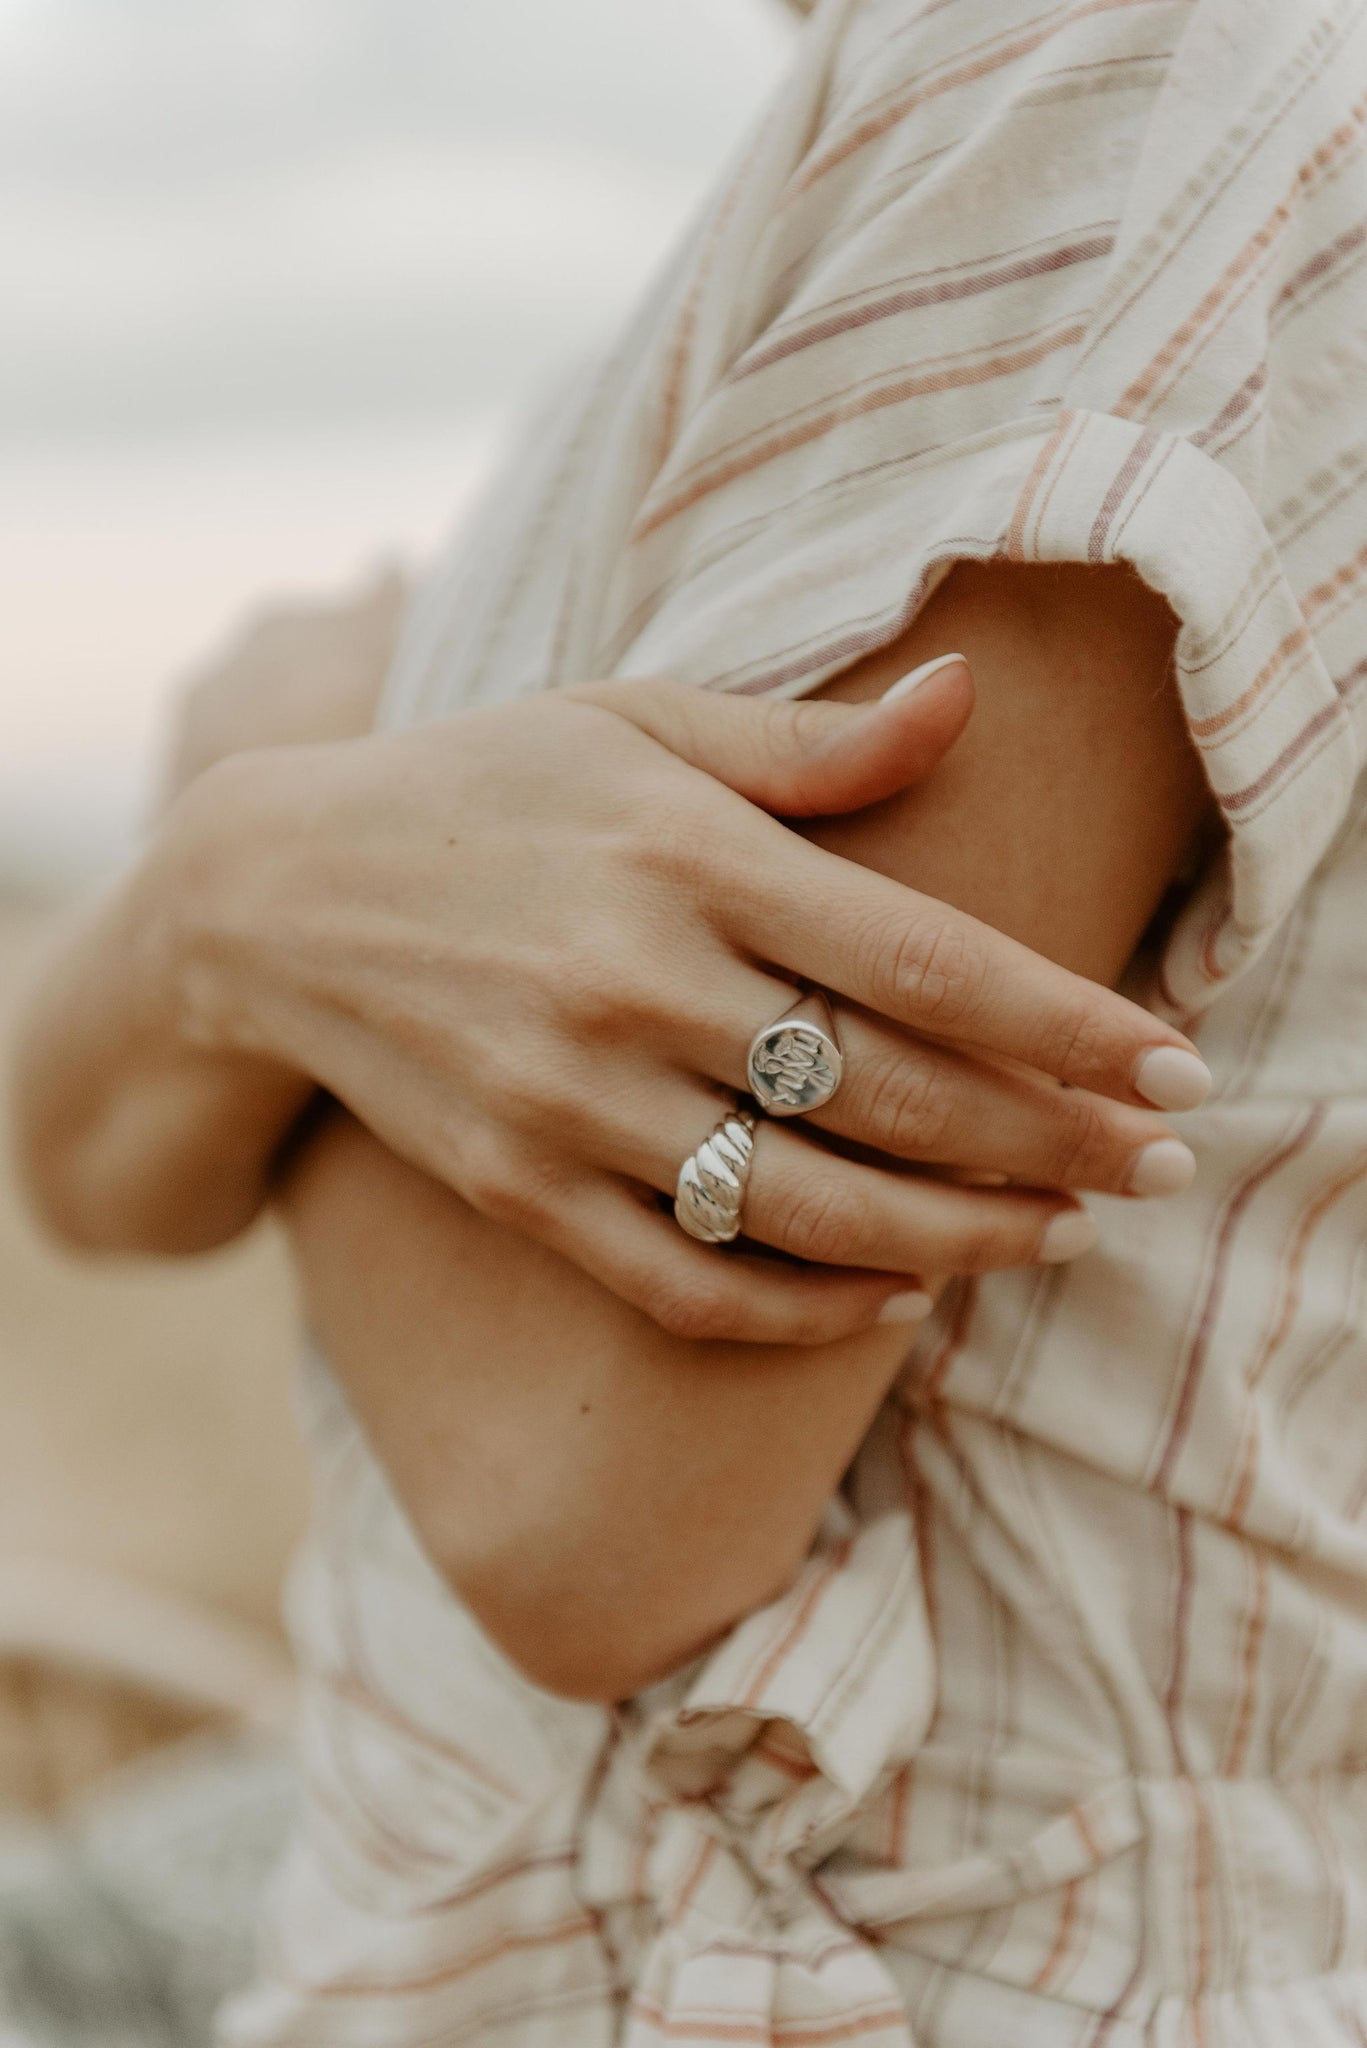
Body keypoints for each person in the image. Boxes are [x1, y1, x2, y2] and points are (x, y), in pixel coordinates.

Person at [12, 0, 1367, 2040]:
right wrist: (231, 886)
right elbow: (88, 1169)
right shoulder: (866, 166)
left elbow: (594, 1500)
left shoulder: (1122, 77)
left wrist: (263, 876)